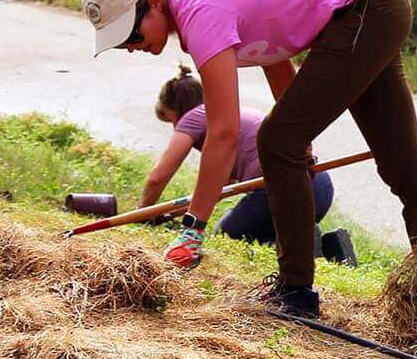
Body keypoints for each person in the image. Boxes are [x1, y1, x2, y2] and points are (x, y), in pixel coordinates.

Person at [84, 0, 417, 317]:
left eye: (130, 35)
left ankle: (296, 292)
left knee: (275, 142)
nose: (130, 47)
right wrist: (299, 142)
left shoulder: (199, 10)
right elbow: (273, 56)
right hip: (375, 1)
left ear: (155, 4)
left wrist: (193, 230)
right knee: (399, 160)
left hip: (363, 7)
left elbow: (223, 132)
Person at [141, 65, 335, 250]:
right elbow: (213, 192)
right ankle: (323, 246)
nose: (176, 128)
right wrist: (166, 215)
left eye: (171, 119)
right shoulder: (229, 115)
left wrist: (143, 212)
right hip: (320, 187)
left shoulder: (194, 117)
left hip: (280, 188)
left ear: (178, 109)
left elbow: (158, 177)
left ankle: (299, 240)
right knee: (270, 236)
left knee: (224, 236)